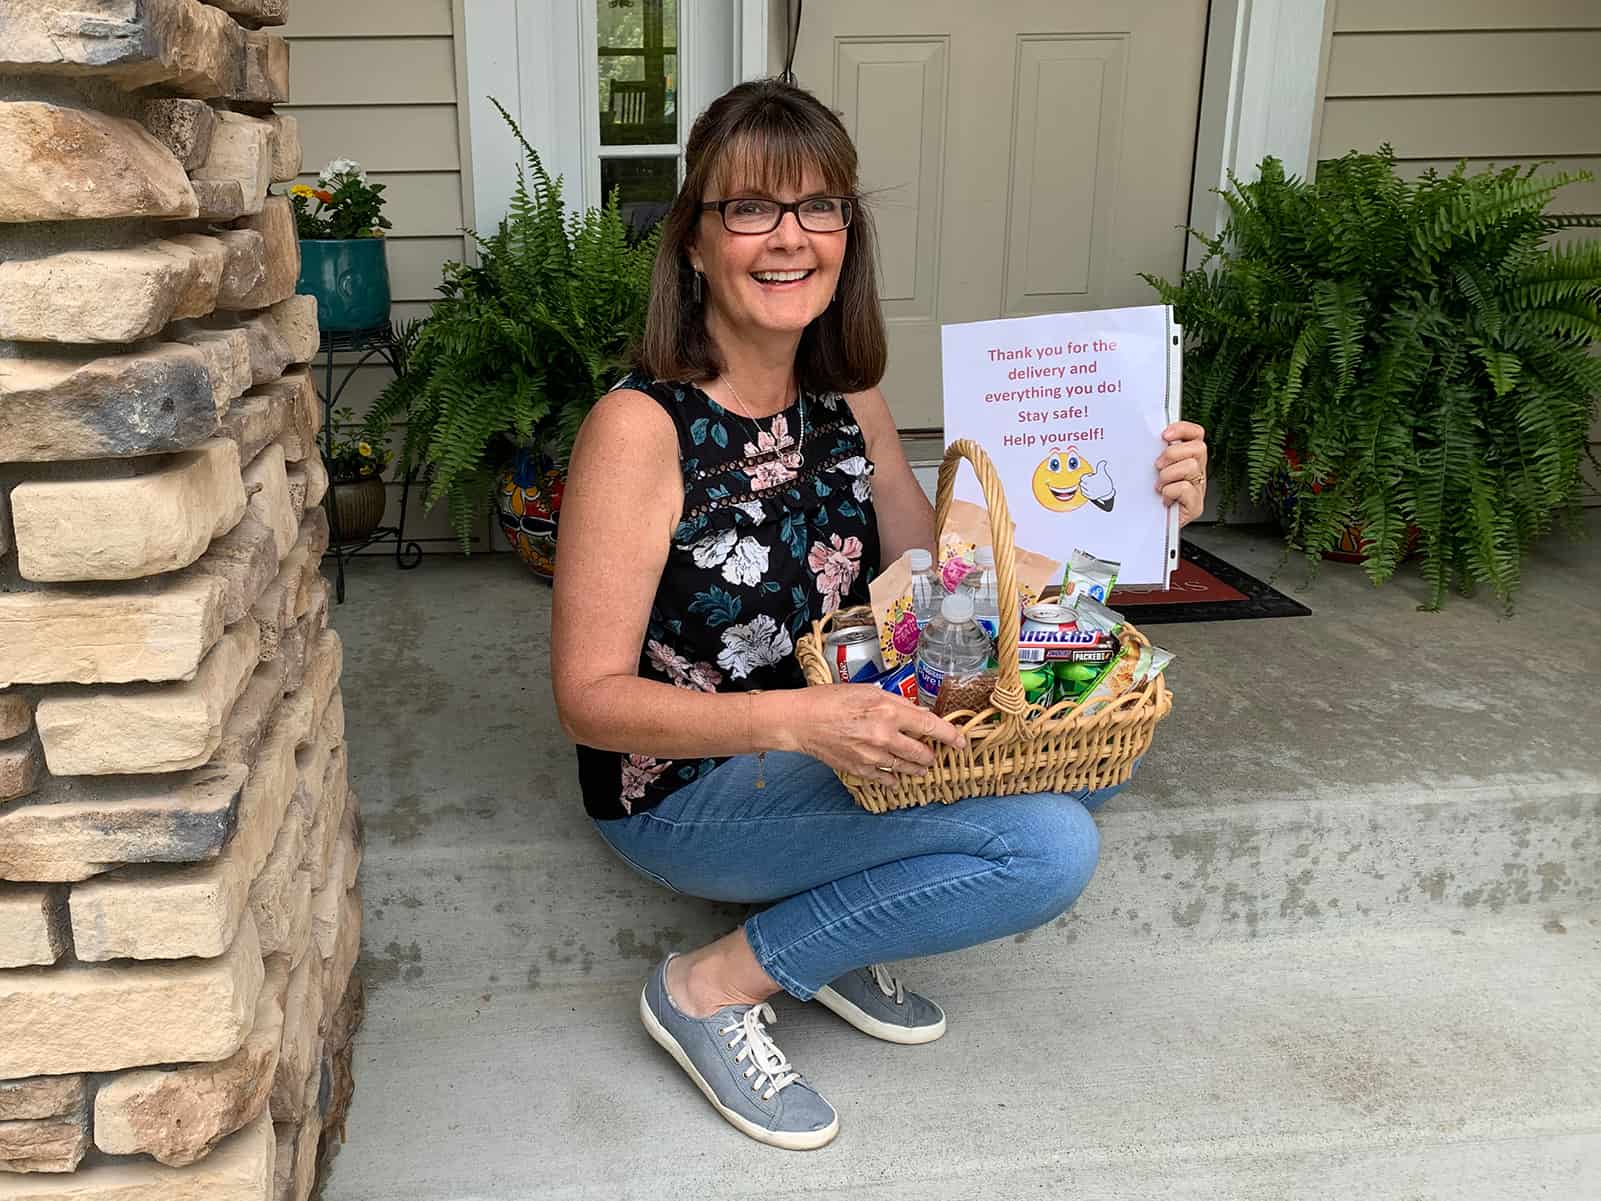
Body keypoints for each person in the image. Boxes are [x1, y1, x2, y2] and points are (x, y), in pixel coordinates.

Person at [551, 79, 1208, 1151]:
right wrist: (798, 723)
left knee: (1101, 754)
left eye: (819, 207)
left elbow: (948, 578)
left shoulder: (843, 394)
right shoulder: (640, 428)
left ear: (847, 234)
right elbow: (589, 701)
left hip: (839, 739)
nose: (789, 237)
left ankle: (834, 916)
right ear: (693, 243)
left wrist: (1139, 501)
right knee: (1044, 850)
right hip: (684, 787)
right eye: (750, 208)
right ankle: (709, 986)